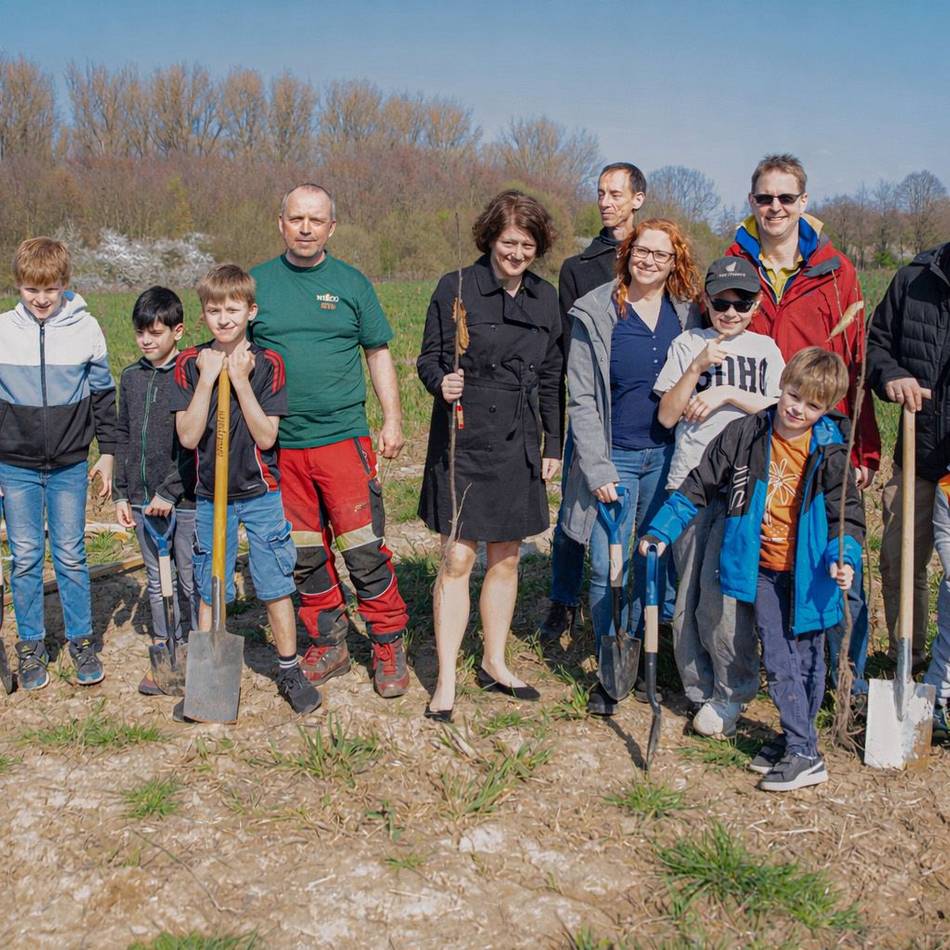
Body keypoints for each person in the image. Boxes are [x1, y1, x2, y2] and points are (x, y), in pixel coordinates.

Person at [641, 348, 864, 791]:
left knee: (806, 660)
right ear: (782, 386)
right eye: (794, 395)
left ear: (827, 409)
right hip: (760, 568)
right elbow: (700, 483)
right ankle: (799, 744)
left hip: (811, 577)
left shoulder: (832, 452)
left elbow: (848, 515)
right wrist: (661, 531)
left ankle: (803, 749)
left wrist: (845, 557)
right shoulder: (746, 433)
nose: (798, 409)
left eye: (813, 405)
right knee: (779, 658)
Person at [726, 153, 879, 695]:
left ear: (803, 204)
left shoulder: (836, 273)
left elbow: (856, 365)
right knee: (762, 553)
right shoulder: (734, 265)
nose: (774, 207)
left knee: (832, 554)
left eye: (785, 198)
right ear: (752, 201)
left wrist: (861, 448)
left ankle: (844, 679)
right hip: (756, 434)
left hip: (825, 433)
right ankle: (769, 674)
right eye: (765, 197)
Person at [250, 184, 410, 699]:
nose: (305, 228)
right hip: (279, 446)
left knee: (363, 547)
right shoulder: (257, 285)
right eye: (296, 218)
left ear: (331, 228)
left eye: (315, 221)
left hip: (342, 440)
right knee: (303, 553)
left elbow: (378, 353)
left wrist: (392, 419)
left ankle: (387, 640)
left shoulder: (351, 283)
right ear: (281, 223)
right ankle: (328, 642)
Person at [417, 190, 563, 720]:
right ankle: (447, 679)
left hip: (518, 440)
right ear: (490, 239)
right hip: (464, 434)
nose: (517, 253)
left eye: (527, 244)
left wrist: (553, 444)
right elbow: (428, 358)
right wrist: (442, 382)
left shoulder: (546, 300)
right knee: (457, 557)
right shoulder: (455, 287)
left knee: (505, 557)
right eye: (508, 242)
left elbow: (552, 377)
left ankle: (496, 663)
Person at [559, 219, 702, 716]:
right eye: (642, 250)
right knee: (606, 566)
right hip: (615, 457)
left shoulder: (686, 313)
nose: (649, 261)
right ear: (628, 252)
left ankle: (643, 660)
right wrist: (597, 468)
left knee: (651, 562)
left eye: (661, 255)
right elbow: (580, 397)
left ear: (674, 262)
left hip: (666, 458)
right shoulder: (596, 311)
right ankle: (608, 667)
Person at [171, 264, 320, 715]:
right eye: (214, 310)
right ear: (203, 316)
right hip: (210, 498)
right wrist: (206, 379)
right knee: (209, 584)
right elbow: (189, 437)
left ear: (250, 311)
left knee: (274, 581)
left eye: (233, 309)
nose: (224, 318)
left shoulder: (269, 364)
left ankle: (290, 668)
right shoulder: (188, 362)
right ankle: (204, 678)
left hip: (260, 494)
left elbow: (267, 436)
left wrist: (238, 381)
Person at [654, 256, 785, 737]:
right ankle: (697, 688)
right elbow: (667, 416)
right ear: (706, 301)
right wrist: (696, 369)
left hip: (742, 488)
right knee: (687, 592)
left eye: (741, 303)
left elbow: (781, 411)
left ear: (755, 306)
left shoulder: (766, 350)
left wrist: (728, 392)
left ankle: (732, 693)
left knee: (725, 597)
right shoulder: (688, 343)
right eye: (721, 302)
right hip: (688, 483)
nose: (730, 312)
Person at [0, 237, 115, 690]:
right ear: (18, 286)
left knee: (70, 554)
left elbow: (104, 398)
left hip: (69, 464)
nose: (41, 299)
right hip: (15, 465)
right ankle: (31, 645)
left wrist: (107, 453)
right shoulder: (3, 330)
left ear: (65, 284)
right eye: (31, 290)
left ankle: (81, 640)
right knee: (25, 556)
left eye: (49, 289)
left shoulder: (86, 329)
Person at [541, 162, 647, 641]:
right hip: (592, 409)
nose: (606, 202)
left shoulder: (656, 256)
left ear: (638, 199)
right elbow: (566, 355)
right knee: (573, 512)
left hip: (643, 411)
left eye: (616, 194)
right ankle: (563, 599)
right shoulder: (579, 270)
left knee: (640, 514)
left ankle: (638, 605)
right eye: (601, 193)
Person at [866, 241, 950, 671]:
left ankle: (946, 672)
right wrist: (893, 374)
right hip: (916, 452)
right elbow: (876, 344)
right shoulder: (913, 279)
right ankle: (908, 659)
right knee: (899, 560)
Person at [114, 287, 197, 695]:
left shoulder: (190, 374)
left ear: (177, 331)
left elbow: (194, 445)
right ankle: (166, 647)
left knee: (187, 578)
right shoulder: (131, 378)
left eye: (156, 333)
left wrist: (170, 491)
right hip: (143, 500)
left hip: (184, 502)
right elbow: (125, 436)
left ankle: (196, 651)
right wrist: (122, 495)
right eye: (140, 333)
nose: (147, 341)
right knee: (155, 577)